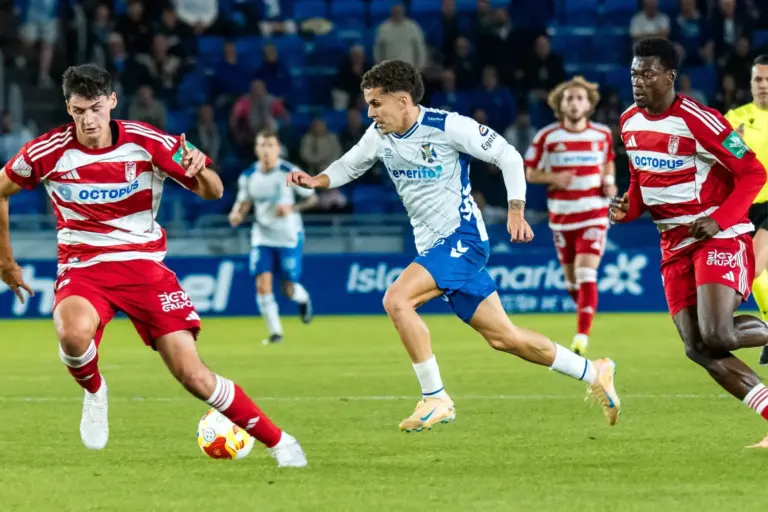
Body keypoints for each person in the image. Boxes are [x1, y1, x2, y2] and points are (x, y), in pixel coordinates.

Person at [286, 60, 621, 433]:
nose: (370, 113)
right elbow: (350, 165)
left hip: (463, 239)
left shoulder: (448, 126)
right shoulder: (379, 135)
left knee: (397, 300)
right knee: (504, 337)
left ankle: (435, 398)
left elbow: (509, 156)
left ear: (403, 101)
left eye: (376, 103)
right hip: (434, 247)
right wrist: (316, 181)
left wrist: (515, 210)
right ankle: (594, 371)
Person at [0, 64, 307, 466]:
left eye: (96, 108)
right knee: (72, 335)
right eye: (78, 111)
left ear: (112, 101)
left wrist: (200, 168)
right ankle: (94, 390)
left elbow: (214, 192)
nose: (88, 120)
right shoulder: (48, 151)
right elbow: (1, 190)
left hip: (144, 267)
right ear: (68, 108)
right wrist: (6, 261)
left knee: (192, 375)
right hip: (83, 266)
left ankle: (282, 443)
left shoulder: (149, 142)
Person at [610, 38, 768, 448]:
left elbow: (753, 173)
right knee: (697, 347)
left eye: (647, 74)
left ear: (669, 77)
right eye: (634, 74)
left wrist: (718, 220)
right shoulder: (628, 121)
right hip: (673, 245)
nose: (638, 81)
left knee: (718, 336)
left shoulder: (701, 120)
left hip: (718, 237)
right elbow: (641, 182)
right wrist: (627, 209)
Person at [525, 76, 617, 355]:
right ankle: (587, 311)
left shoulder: (602, 134)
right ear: (560, 104)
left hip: (594, 213)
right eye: (569, 99)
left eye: (580, 98)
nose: (574, 103)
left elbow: (608, 162)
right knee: (571, 283)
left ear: (589, 104)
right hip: (562, 217)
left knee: (586, 272)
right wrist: (552, 177)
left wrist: (609, 182)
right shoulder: (547, 137)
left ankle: (581, 336)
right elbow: (530, 172)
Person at [229, 129, 316, 345]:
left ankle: (303, 299)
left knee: (288, 288)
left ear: (278, 149)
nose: (266, 150)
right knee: (262, 284)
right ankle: (276, 333)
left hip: (288, 236)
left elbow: (312, 198)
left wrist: (292, 208)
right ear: (256, 149)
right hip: (262, 237)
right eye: (262, 145)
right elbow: (244, 202)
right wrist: (237, 214)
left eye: (270, 145)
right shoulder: (248, 176)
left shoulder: (290, 172)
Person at [724, 55, 768, 366]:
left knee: (754, 266)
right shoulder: (735, 118)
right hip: (744, 205)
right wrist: (735, 145)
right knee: (757, 275)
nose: (763, 85)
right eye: (758, 79)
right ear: (750, 83)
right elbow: (723, 157)